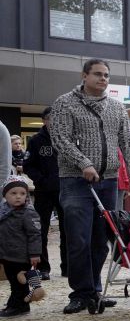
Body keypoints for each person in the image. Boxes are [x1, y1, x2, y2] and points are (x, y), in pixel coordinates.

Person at [51, 58, 130, 314]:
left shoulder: (116, 107)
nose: (103, 79)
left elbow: (128, 141)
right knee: (79, 238)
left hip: (108, 181)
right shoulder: (65, 103)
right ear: (84, 75)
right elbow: (60, 139)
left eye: (106, 75)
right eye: (97, 74)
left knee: (101, 240)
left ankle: (95, 290)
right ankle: (80, 293)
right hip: (75, 180)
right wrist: (83, 163)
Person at [23, 107, 66, 279]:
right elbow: (28, 165)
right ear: (44, 120)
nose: (55, 122)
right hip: (43, 191)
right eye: (51, 118)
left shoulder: (66, 138)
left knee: (68, 230)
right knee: (40, 230)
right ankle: (43, 268)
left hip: (65, 191)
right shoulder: (36, 140)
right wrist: (41, 179)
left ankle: (68, 267)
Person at [0, 177, 42, 317]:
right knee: (13, 281)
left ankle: (19, 306)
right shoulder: (3, 211)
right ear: (5, 195)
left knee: (19, 282)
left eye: (22, 193)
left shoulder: (28, 213)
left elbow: (35, 234)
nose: (18, 196)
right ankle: (17, 304)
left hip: (21, 256)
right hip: (7, 255)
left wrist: (35, 254)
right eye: (13, 193)